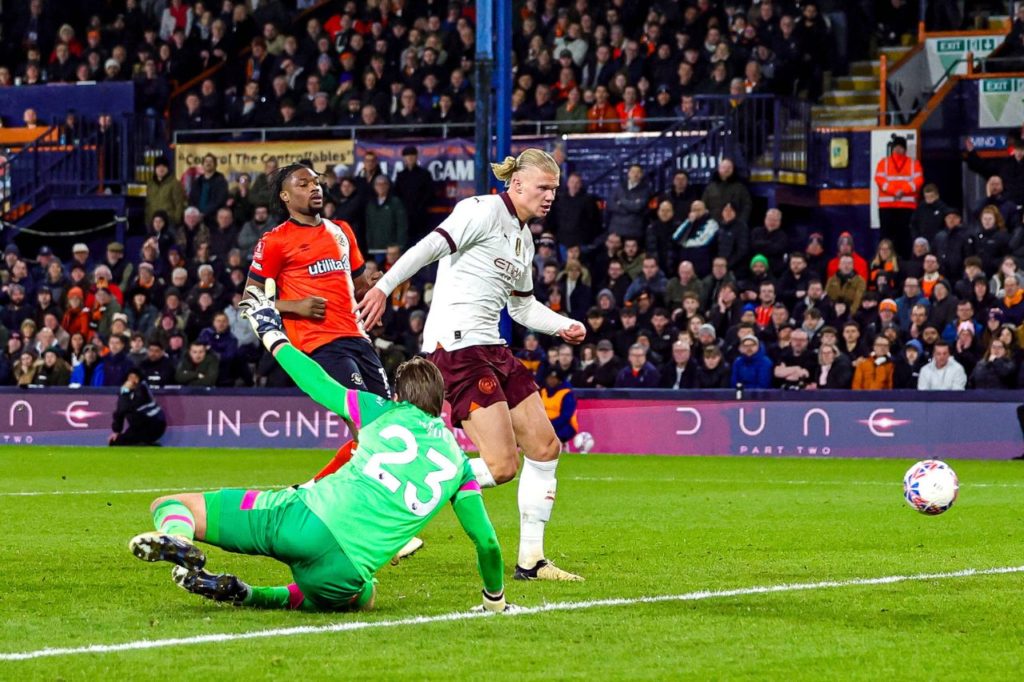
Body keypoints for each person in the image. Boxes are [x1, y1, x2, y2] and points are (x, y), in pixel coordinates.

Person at [129, 296, 510, 614]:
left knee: (173, 506)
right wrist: (494, 600)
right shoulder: (460, 464)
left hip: (300, 520)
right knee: (365, 595)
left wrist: (272, 333)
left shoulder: (380, 410)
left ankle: (177, 537)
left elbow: (316, 381)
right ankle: (250, 594)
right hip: (343, 571)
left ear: (398, 396)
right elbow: (487, 542)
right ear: (440, 401)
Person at [357, 149, 586, 582]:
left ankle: (532, 561)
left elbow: (522, 308)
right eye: (544, 188)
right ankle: (410, 489)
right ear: (516, 185)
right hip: (458, 348)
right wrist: (385, 286)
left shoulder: (524, 237)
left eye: (554, 189)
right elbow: (429, 247)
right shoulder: (479, 210)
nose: (550, 196)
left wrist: (562, 325)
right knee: (501, 466)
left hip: (494, 349)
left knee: (545, 448)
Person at [244, 164, 398, 520]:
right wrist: (293, 306)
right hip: (319, 344)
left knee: (385, 426)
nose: (315, 188)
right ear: (285, 196)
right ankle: (366, 517)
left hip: (359, 339)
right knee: (364, 424)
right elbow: (249, 300)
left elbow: (360, 284)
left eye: (317, 182)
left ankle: (310, 499)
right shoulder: (275, 241)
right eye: (304, 183)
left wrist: (379, 288)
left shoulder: (341, 231)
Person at [874, 135, 924, 258]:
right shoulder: (883, 163)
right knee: (886, 237)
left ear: (905, 149)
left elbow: (918, 180)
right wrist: (895, 191)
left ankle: (904, 261)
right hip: (887, 207)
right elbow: (879, 179)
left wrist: (903, 191)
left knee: (905, 237)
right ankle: (884, 261)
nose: (898, 150)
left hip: (906, 207)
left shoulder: (914, 163)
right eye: (896, 147)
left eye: (901, 147)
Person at [110, 368, 166, 446]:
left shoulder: (142, 389)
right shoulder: (127, 392)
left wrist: (125, 390)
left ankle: (147, 445)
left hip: (152, 425)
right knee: (115, 441)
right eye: (130, 378)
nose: (132, 381)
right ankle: (148, 445)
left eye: (135, 377)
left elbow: (126, 407)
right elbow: (120, 412)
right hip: (139, 426)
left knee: (120, 443)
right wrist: (117, 431)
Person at [539, 369, 578, 444]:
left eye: (554, 379)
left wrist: (550, 425)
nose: (551, 381)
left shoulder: (566, 393)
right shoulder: (543, 391)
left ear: (559, 380)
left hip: (565, 425)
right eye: (549, 378)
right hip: (546, 425)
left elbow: (566, 416)